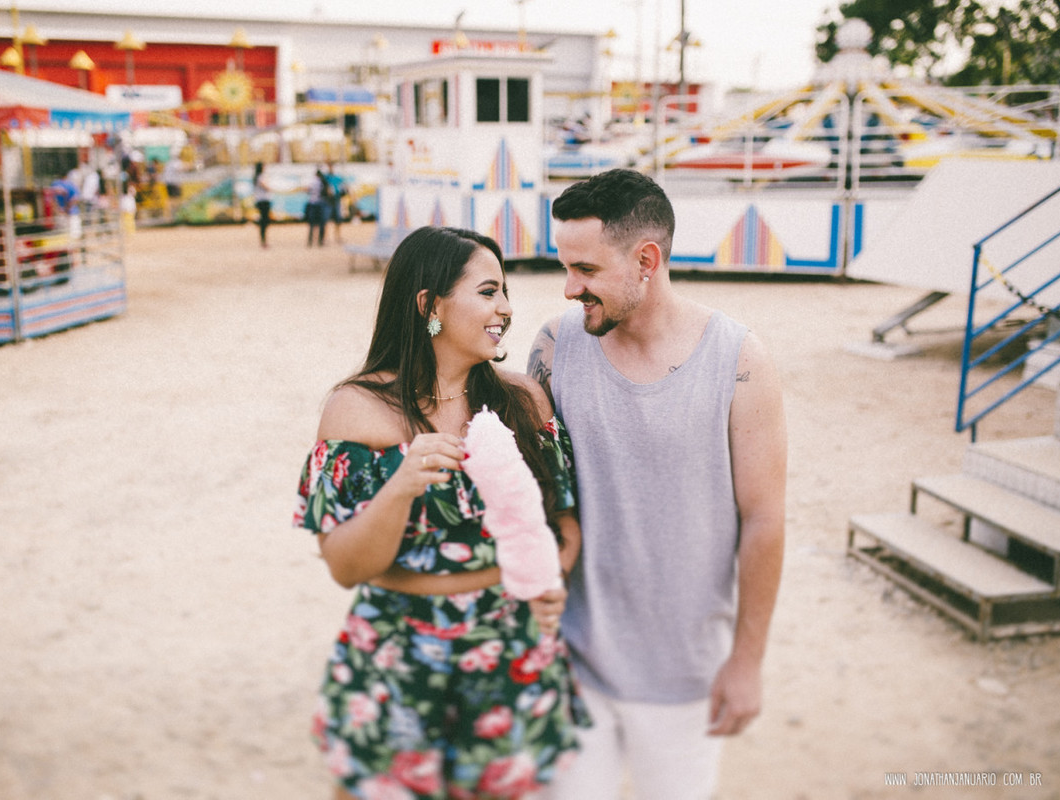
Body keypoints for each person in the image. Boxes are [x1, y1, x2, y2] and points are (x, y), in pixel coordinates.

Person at [293, 225, 589, 799]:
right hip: (395, 652)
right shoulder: (356, 410)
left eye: (505, 292)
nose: (506, 308)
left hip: (511, 646)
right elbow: (346, 568)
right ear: (430, 305)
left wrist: (554, 577)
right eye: (488, 292)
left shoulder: (523, 400)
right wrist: (401, 486)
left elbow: (563, 523)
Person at [527, 169, 787, 800]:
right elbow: (523, 486)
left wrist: (747, 660)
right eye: (565, 267)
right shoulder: (556, 347)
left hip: (685, 678)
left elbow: (764, 518)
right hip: (572, 665)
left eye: (586, 269)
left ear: (646, 260)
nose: (570, 287)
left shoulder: (738, 360)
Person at [305, 167, 330, 247]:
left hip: (313, 203)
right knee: (322, 223)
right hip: (321, 203)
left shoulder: (312, 181)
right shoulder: (324, 182)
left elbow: (307, 190)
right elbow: (329, 192)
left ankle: (310, 240)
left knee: (312, 224)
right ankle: (320, 240)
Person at [324, 163, 348, 244]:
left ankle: (338, 236)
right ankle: (325, 237)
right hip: (328, 201)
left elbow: (344, 188)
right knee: (326, 219)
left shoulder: (338, 178)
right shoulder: (325, 178)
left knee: (338, 219)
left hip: (336, 200)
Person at [252, 162, 273, 248]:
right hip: (263, 201)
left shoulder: (256, 177)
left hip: (260, 200)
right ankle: (263, 240)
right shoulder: (260, 177)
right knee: (265, 221)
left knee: (264, 220)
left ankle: (263, 239)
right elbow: (266, 187)